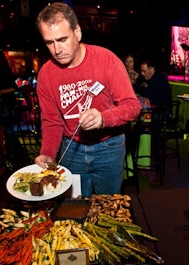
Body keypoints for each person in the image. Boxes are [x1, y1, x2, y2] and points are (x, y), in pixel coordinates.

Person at [34, 2, 141, 197]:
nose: (57, 49)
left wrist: (103, 118)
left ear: (78, 32)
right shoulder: (46, 74)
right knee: (74, 211)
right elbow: (51, 121)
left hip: (109, 146)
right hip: (71, 148)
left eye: (62, 39)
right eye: (49, 42)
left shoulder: (106, 60)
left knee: (107, 210)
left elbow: (132, 106)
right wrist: (48, 153)